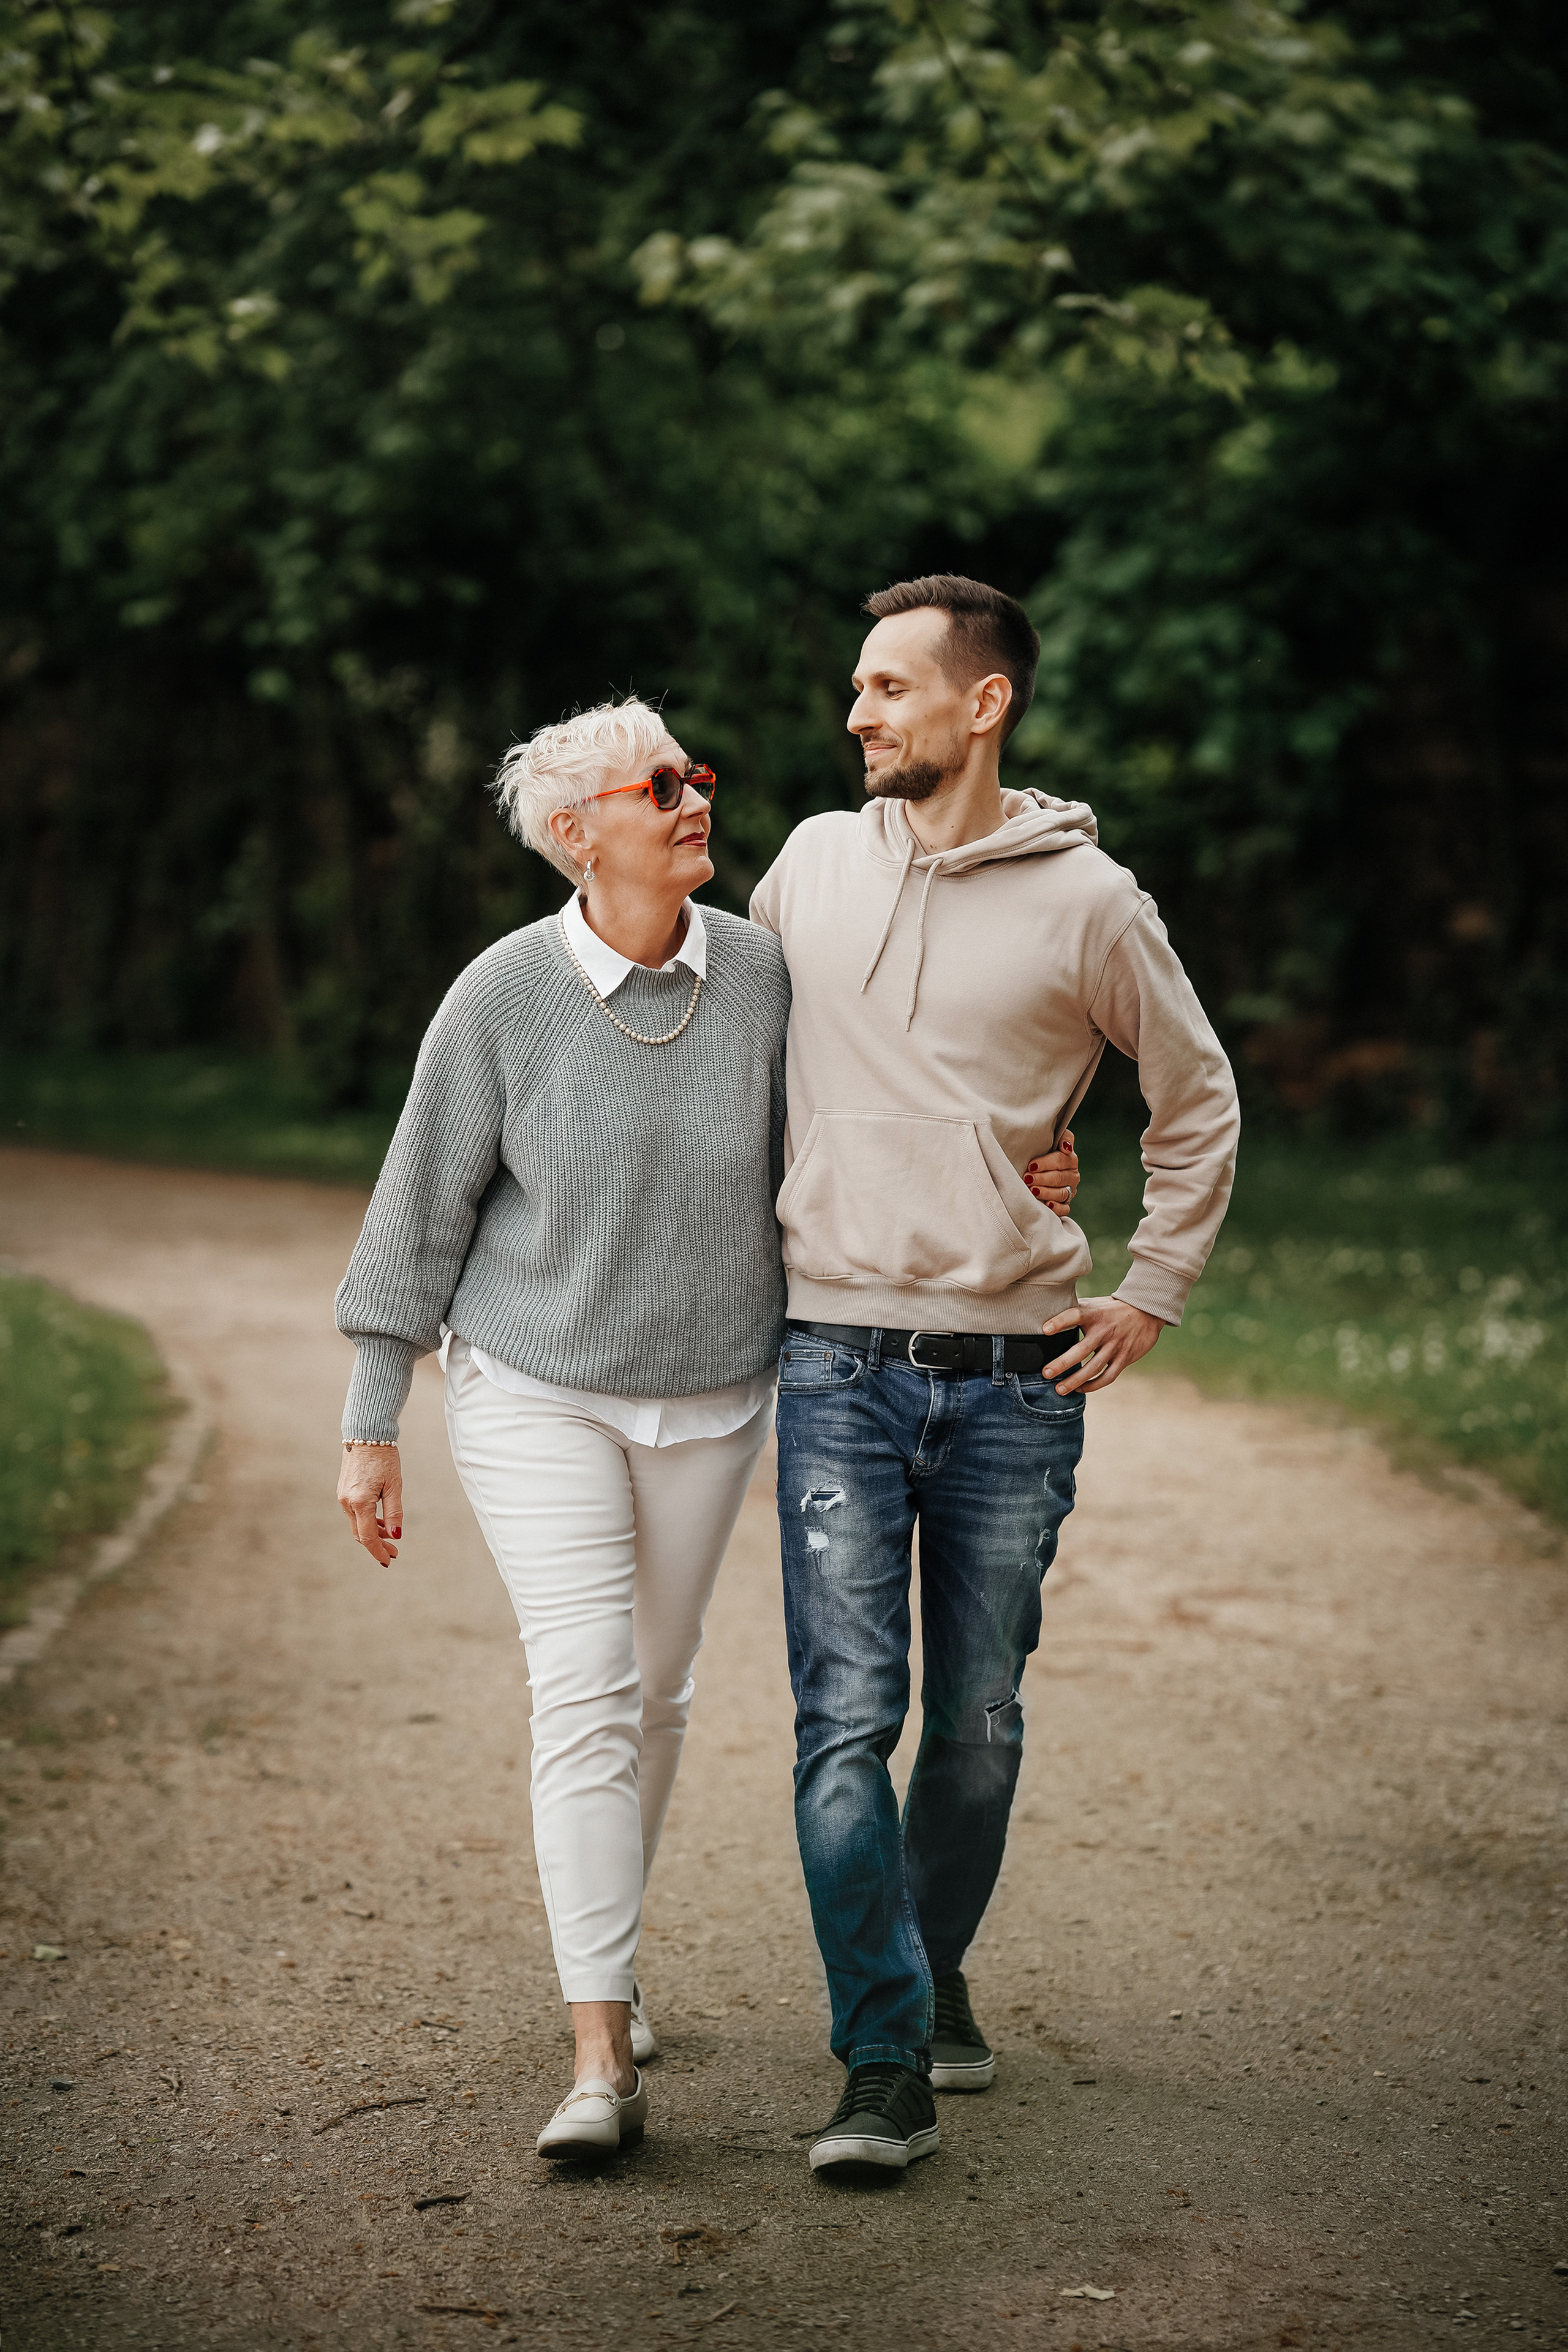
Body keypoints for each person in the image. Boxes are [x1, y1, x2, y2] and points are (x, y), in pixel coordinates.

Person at [331, 688, 1096, 2158]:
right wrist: (372, 1418)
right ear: (575, 837)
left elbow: (903, 1082)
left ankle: (609, 1952)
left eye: (694, 773)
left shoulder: (759, 971)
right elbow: (413, 1210)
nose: (694, 797)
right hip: (531, 1378)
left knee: (658, 1685)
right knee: (586, 1687)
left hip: (710, 1394)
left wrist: (1026, 1162)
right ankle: (598, 2049)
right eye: (655, 786)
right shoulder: (501, 995)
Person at [750, 574, 1241, 2176]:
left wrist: (1151, 1287)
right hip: (833, 1358)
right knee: (844, 1727)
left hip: (1018, 1382)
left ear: (986, 704)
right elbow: (726, 1056)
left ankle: (927, 1953)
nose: (858, 712)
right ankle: (881, 2059)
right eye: (854, 685)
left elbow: (1197, 1098)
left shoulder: (1094, 904)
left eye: (889, 687)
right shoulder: (811, 866)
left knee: (974, 1725)